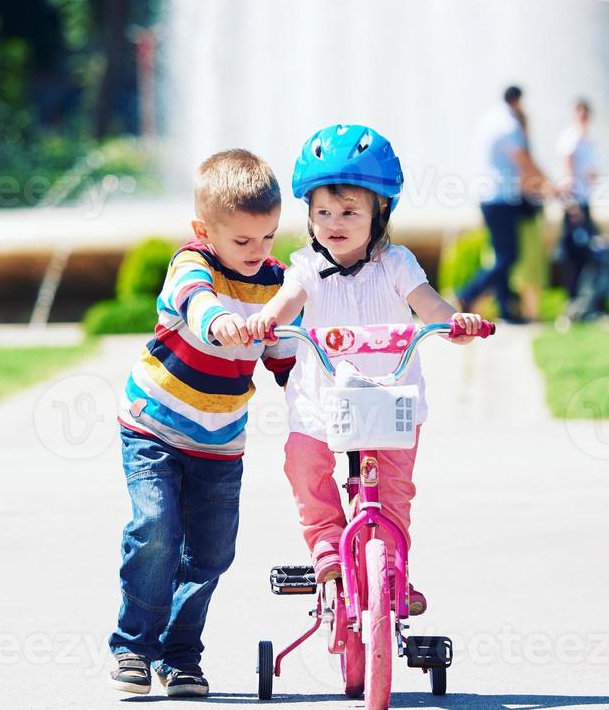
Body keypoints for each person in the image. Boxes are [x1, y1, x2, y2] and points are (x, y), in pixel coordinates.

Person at [246, 125, 484, 616]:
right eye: (323, 212)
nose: (335, 222)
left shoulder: (396, 263)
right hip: (321, 399)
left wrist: (453, 322)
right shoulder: (307, 267)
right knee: (305, 464)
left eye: (350, 211)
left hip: (388, 399)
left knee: (394, 488)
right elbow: (286, 302)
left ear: (381, 212)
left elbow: (428, 303)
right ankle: (327, 547)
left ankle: (393, 568)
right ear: (309, 216)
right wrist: (268, 321)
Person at [108, 149, 297, 699]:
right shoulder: (191, 264)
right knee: (158, 529)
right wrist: (221, 323)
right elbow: (197, 303)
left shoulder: (275, 281)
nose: (257, 252)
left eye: (267, 237)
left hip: (220, 441)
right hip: (155, 426)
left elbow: (286, 355)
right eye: (242, 241)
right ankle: (133, 647)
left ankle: (180, 656)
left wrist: (305, 374)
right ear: (204, 231)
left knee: (212, 553)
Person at [456, 85, 550, 324]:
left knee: (502, 255)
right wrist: (549, 183)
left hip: (490, 196)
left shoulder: (490, 119)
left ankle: (506, 309)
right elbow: (523, 161)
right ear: (517, 100)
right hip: (501, 198)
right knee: (508, 256)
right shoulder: (508, 124)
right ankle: (468, 293)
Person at [556, 97, 600, 297]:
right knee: (574, 250)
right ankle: (573, 295)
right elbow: (567, 171)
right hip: (575, 201)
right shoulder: (571, 138)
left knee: (586, 249)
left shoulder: (588, 139)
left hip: (585, 198)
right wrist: (571, 203)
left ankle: (584, 295)